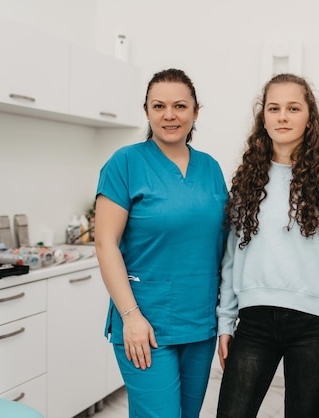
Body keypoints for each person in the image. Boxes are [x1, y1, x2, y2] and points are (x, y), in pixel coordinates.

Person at [216, 73, 319, 418]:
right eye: (274, 108)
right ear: (262, 118)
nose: (283, 116)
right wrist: (225, 321)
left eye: (293, 108)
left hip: (314, 326)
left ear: (309, 117)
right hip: (254, 321)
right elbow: (231, 260)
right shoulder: (246, 184)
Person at [94, 68, 228, 417]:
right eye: (159, 106)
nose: (170, 115)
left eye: (180, 106)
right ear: (147, 112)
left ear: (196, 112)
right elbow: (105, 244)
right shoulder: (125, 163)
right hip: (145, 323)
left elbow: (223, 246)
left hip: (199, 323)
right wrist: (131, 317)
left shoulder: (210, 168)